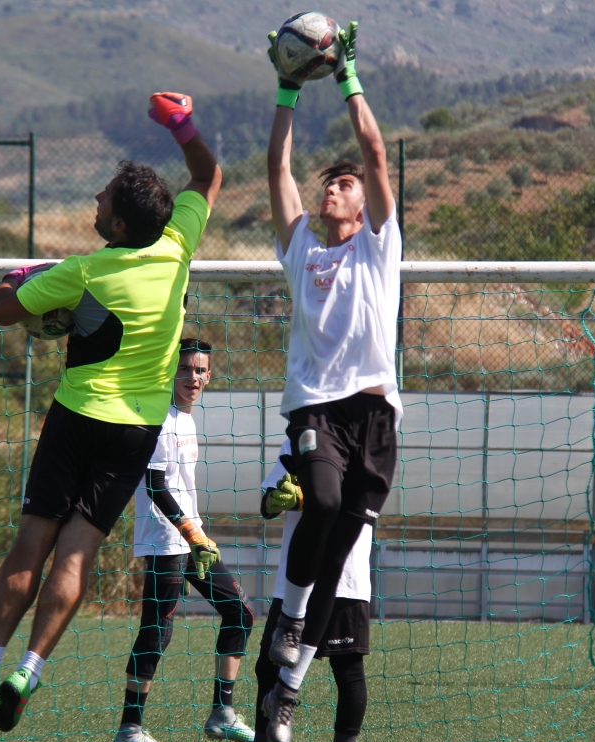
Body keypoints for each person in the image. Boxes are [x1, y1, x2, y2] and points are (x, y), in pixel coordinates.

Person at [0, 92, 222, 734]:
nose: (94, 204)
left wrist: (17, 279)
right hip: (135, 432)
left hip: (77, 416)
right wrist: (180, 124)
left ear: (120, 225)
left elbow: (0, 311)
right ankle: (30, 670)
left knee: (32, 541)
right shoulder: (178, 245)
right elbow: (208, 176)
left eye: (102, 200)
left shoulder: (83, 271)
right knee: (75, 555)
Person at [263, 19, 400, 701]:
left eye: (344, 183)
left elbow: (375, 153)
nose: (336, 187)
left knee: (344, 544)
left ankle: (288, 690)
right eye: (332, 183)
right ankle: (287, 618)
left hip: (371, 413)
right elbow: (276, 171)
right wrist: (287, 89)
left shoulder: (377, 246)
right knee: (316, 499)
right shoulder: (303, 253)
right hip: (316, 405)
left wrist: (345, 76)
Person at [115, 339, 255, 742]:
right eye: (184, 370)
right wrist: (191, 533)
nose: (192, 377)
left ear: (209, 375)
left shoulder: (188, 420)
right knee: (157, 631)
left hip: (192, 540)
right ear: (169, 373)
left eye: (200, 370)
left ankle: (222, 713)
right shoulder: (159, 415)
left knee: (240, 613)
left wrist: (196, 535)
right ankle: (129, 732)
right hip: (166, 539)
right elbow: (155, 486)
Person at [249, 440, 373, 742]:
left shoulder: (367, 438)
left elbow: (359, 501)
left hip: (346, 573)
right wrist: (275, 500)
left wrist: (306, 497)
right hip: (296, 578)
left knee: (348, 670)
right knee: (268, 665)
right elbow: (267, 501)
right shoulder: (299, 436)